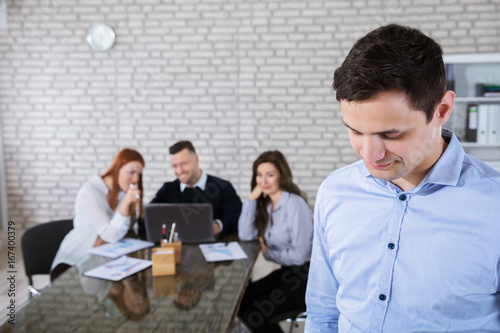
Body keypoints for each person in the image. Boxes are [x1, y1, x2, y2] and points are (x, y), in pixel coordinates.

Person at [305, 24, 500, 332]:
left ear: (442, 109)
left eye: (391, 134)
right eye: (355, 131)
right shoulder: (335, 192)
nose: (370, 156)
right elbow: (322, 313)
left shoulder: (494, 206)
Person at [238, 150, 313, 333]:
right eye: (259, 175)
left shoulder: (294, 204)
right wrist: (251, 200)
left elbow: (300, 254)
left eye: (270, 175)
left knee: (254, 314)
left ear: (282, 175)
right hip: (287, 272)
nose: (263, 181)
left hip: (306, 277)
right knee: (241, 301)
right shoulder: (268, 205)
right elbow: (245, 235)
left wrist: (268, 253)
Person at [51, 148, 145, 280]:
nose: (135, 179)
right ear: (117, 168)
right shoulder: (89, 193)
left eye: (139, 174)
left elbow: (125, 228)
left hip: (100, 261)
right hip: (73, 262)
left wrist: (129, 205)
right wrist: (125, 204)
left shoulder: (121, 192)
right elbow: (110, 235)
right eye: (131, 172)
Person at [150, 140, 242, 235]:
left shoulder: (223, 187)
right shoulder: (168, 189)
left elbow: (239, 219)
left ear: (196, 159)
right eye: (174, 166)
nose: (179, 170)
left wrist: (219, 225)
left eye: (184, 163)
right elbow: (147, 219)